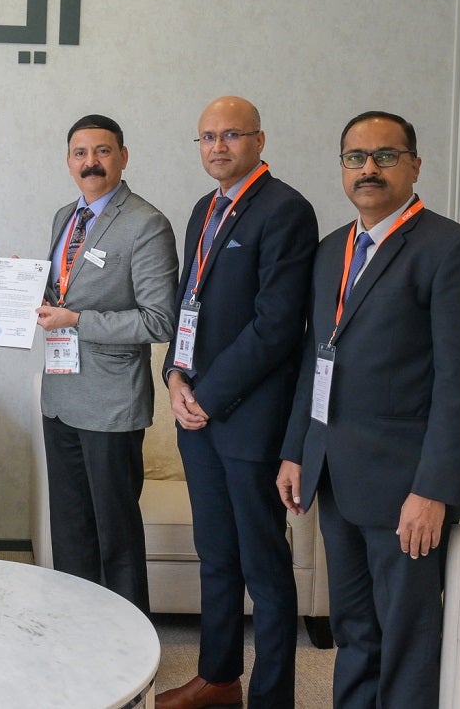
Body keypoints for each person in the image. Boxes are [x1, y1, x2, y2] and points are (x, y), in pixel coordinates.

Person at [277, 111, 460, 709]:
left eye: (386, 156)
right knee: (353, 629)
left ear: (415, 166)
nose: (368, 169)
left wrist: (432, 489)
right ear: (342, 168)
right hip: (335, 474)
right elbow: (315, 359)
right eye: (356, 157)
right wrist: (297, 450)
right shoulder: (332, 250)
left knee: (407, 638)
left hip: (407, 487)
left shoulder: (456, 250)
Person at [156, 98, 317, 709]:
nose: (217, 147)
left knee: (264, 566)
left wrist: (208, 394)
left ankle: (271, 698)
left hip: (249, 420)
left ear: (259, 140)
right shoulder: (205, 208)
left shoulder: (286, 210)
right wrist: (175, 374)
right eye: (207, 137)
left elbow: (276, 327)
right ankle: (218, 679)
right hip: (196, 418)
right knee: (216, 555)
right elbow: (188, 303)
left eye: (230, 135)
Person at [36, 114, 177, 612]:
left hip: (112, 403)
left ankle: (129, 642)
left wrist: (76, 320)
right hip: (60, 397)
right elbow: (63, 292)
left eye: (102, 151)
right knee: (70, 529)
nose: (90, 162)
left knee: (115, 535)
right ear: (68, 161)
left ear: (123, 156)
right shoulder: (64, 217)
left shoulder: (146, 223)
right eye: (80, 153)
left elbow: (160, 320)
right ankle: (77, 631)